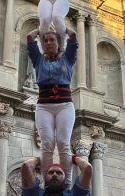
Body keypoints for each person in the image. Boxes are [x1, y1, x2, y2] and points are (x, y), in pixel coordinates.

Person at [27, 27, 77, 185]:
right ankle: (47, 182)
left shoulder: (67, 59)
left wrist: (60, 27)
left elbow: (73, 36)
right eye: (45, 41)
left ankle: (67, 183)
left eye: (52, 40)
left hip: (64, 105)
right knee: (47, 143)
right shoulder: (38, 59)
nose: (48, 43)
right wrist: (43, 27)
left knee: (63, 142)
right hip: (44, 106)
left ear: (58, 43)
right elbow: (29, 37)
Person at [21, 155, 92, 195]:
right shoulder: (35, 194)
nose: (54, 175)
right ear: (45, 177)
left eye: (59, 173)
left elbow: (87, 168)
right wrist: (39, 159)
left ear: (65, 178)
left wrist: (74, 158)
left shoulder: (74, 194)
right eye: (51, 172)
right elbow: (26, 166)